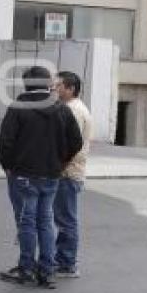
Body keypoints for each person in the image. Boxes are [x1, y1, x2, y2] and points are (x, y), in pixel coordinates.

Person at [0, 66, 82, 289]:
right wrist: (61, 162)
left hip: (23, 174)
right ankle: (47, 271)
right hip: (51, 175)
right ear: (47, 84)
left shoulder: (17, 107)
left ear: (26, 84)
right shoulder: (61, 108)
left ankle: (27, 269)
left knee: (27, 222)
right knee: (45, 222)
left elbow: (6, 142)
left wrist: (7, 167)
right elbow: (76, 141)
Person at [54, 71, 92, 278]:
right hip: (68, 172)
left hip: (67, 173)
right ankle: (61, 260)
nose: (54, 88)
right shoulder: (70, 108)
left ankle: (67, 264)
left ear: (70, 89)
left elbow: (71, 144)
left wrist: (58, 168)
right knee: (63, 218)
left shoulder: (74, 111)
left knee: (66, 220)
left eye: (58, 85)